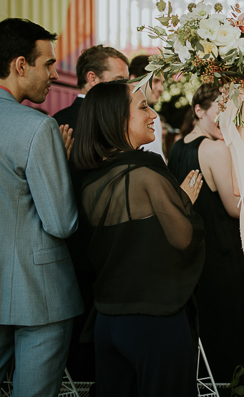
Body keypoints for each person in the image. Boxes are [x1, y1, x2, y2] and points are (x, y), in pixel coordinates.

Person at [73, 80, 205, 397]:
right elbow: (183, 239)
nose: (153, 114)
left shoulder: (91, 182)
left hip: (107, 321)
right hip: (153, 323)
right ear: (119, 119)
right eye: (143, 106)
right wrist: (183, 202)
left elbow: (128, 244)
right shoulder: (146, 170)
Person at [0, 17, 83, 396]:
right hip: (39, 295)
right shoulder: (37, 127)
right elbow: (61, 222)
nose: (54, 73)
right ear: (21, 65)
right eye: (47, 64)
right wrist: (62, 168)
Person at [53, 44, 130, 386]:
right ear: (91, 78)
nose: (125, 89)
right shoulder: (108, 124)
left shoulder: (56, 123)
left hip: (68, 251)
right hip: (103, 248)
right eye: (118, 81)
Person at [167, 84, 244, 381]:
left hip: (191, 258)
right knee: (224, 338)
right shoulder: (215, 149)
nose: (225, 119)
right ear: (199, 110)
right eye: (220, 109)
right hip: (219, 256)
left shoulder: (177, 147)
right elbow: (236, 208)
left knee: (200, 338)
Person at [53, 44, 129, 131]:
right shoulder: (107, 120)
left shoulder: (59, 120)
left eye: (126, 81)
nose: (126, 87)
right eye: (119, 80)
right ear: (93, 78)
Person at [129, 54, 165, 159]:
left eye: (162, 82)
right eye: (155, 81)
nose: (161, 88)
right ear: (135, 80)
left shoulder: (154, 116)